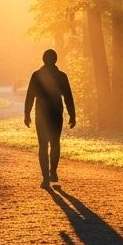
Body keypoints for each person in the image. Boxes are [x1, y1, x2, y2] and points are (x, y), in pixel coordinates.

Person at [24, 49, 75, 189]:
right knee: (55, 143)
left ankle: (45, 177)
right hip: (56, 114)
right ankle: (53, 171)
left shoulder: (36, 75)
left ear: (43, 59)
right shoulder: (61, 76)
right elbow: (68, 97)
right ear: (56, 59)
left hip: (41, 115)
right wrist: (72, 115)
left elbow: (30, 96)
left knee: (43, 146)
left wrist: (27, 113)